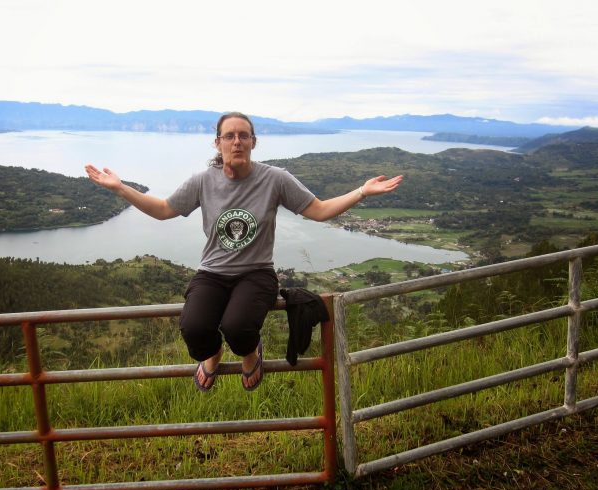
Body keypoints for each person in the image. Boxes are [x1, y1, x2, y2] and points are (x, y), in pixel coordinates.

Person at [85, 111, 403, 392]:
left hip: (256, 273)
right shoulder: (202, 181)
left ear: (253, 142)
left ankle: (251, 353)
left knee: (238, 328)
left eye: (243, 136)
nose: (236, 141)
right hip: (212, 273)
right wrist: (120, 188)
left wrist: (362, 191)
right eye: (229, 136)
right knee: (194, 329)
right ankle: (212, 354)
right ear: (217, 143)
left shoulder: (275, 179)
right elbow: (164, 209)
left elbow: (319, 210)